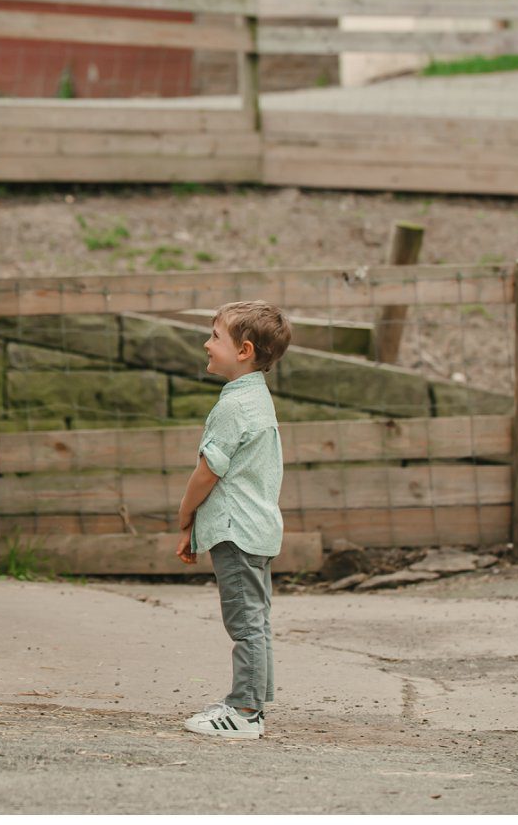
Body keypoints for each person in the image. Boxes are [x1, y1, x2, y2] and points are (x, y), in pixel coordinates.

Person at [175, 300, 291, 739]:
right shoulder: (257, 398)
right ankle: (253, 703)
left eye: (215, 337)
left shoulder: (233, 408)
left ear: (243, 350)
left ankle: (243, 712)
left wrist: (185, 515)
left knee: (244, 623)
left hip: (235, 531)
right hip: (257, 528)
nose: (206, 343)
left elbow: (208, 471)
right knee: (256, 619)